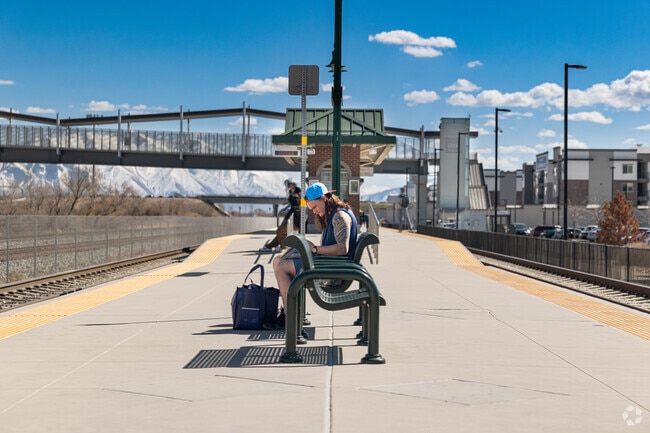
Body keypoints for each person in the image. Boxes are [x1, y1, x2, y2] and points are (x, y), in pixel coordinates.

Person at [262, 182, 358, 330]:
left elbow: (342, 248)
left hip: (333, 273)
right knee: (277, 260)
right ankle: (290, 313)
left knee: (281, 267)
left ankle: (289, 317)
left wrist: (314, 250)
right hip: (328, 265)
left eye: (314, 207)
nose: (314, 211)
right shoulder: (334, 214)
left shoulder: (339, 217)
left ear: (324, 199)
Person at [259, 180, 302, 253]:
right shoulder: (290, 192)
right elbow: (289, 201)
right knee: (280, 231)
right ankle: (269, 246)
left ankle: (282, 246)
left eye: (289, 184)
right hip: (290, 213)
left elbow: (302, 199)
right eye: (287, 185)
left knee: (280, 231)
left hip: (296, 214)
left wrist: (302, 208)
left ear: (292, 184)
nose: (288, 186)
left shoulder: (298, 190)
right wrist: (284, 204)